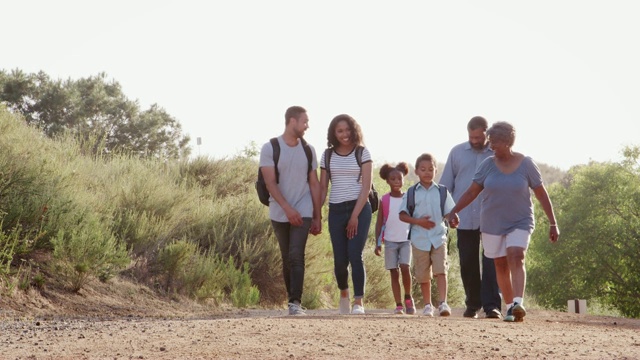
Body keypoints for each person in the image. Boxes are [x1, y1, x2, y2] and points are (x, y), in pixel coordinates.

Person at [447, 121, 560, 322]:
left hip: (520, 220)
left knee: (516, 255)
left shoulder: (526, 164)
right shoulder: (487, 164)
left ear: (507, 142)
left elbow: (541, 194)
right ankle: (510, 307)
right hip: (492, 222)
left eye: (495, 143)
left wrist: (553, 222)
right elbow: (473, 191)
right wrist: (454, 210)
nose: (491, 147)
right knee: (499, 263)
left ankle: (518, 302)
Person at [259, 106, 322, 316]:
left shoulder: (308, 149)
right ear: (292, 121)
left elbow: (314, 183)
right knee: (286, 257)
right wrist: (288, 210)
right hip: (279, 212)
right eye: (305, 121)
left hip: (303, 209)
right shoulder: (270, 148)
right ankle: (291, 301)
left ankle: (295, 302)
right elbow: (270, 184)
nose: (307, 126)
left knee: (296, 255)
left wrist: (316, 215)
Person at [440, 116, 502, 319]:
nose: (474, 140)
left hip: (492, 216)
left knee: (492, 261)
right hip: (463, 216)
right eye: (471, 137)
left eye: (478, 137)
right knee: (467, 262)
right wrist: (446, 213)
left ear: (487, 132)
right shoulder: (457, 152)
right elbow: (446, 185)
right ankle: (472, 304)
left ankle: (492, 305)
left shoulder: (497, 153)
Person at [320, 114, 373, 315]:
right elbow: (323, 186)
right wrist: (317, 213)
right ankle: (344, 293)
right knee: (340, 260)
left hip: (359, 208)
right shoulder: (327, 155)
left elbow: (366, 188)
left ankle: (358, 301)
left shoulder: (363, 153)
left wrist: (354, 217)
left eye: (348, 130)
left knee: (355, 254)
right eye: (340, 131)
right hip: (336, 210)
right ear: (334, 133)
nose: (345, 134)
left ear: (354, 130)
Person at [399, 153, 455, 317]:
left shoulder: (442, 192)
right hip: (419, 239)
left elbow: (450, 212)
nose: (427, 172)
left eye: (431, 169)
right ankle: (427, 305)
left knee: (441, 270)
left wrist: (453, 218)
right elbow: (402, 215)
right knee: (423, 274)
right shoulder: (411, 192)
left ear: (436, 171)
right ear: (416, 171)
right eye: (423, 169)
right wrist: (418, 222)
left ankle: (443, 303)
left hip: (439, 237)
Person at [374, 162, 415, 315]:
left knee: (405, 267)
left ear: (404, 179)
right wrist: (378, 243)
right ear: (387, 181)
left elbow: (414, 219)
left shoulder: (408, 198)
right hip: (390, 241)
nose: (397, 181)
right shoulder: (384, 200)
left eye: (400, 178)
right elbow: (379, 223)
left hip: (406, 240)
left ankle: (408, 297)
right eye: (393, 179)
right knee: (393, 271)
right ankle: (398, 304)